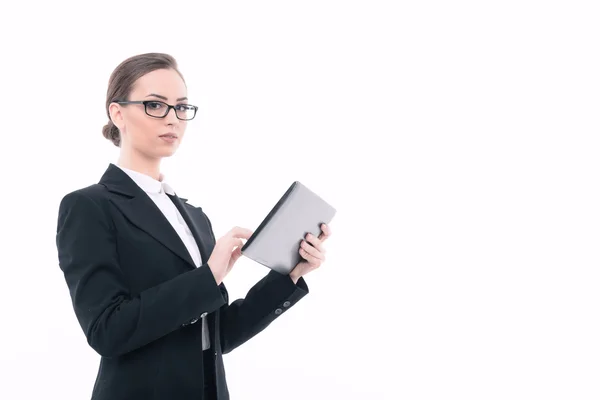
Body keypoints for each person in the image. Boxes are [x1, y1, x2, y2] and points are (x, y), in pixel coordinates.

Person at [55, 52, 331, 400]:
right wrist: (208, 276)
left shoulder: (194, 216)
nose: (173, 119)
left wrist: (289, 274)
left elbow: (219, 335)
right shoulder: (89, 206)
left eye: (181, 107)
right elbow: (106, 332)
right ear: (117, 112)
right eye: (155, 105)